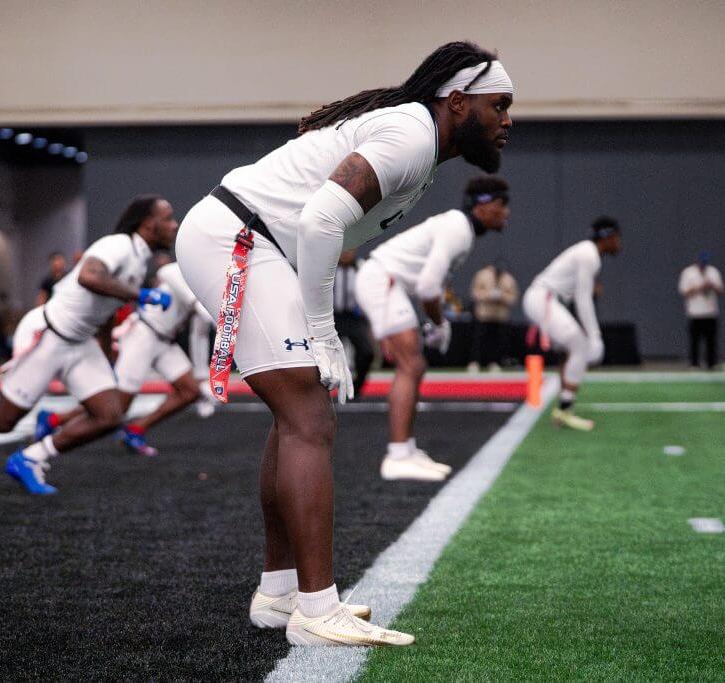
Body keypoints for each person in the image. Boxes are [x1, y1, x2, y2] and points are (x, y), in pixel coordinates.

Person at [175, 41, 513, 646]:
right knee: (309, 417)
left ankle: (280, 594)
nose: (507, 121)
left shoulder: (418, 139)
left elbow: (324, 223)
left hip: (250, 237)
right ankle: (316, 610)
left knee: (296, 417)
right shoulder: (412, 135)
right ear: (459, 102)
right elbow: (320, 221)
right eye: (500, 105)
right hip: (239, 237)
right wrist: (323, 328)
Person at [0, 196, 178, 495]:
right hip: (49, 335)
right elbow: (89, 276)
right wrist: (141, 295)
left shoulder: (138, 259)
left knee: (110, 415)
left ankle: (31, 458)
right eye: (168, 218)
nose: (174, 225)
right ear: (148, 223)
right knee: (3, 420)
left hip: (80, 342)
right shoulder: (119, 245)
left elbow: (105, 315)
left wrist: (106, 357)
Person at [356, 175, 509, 481]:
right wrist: (439, 323)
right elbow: (427, 287)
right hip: (382, 280)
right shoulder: (458, 228)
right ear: (482, 206)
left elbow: (429, 285)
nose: (506, 212)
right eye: (501, 204)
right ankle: (398, 456)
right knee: (411, 365)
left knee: (415, 366)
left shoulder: (460, 228)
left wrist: (437, 322)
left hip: (388, 282)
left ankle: (407, 450)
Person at [35, 262, 214, 456]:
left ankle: (135, 429)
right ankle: (53, 419)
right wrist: (195, 301)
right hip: (144, 334)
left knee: (190, 391)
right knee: (117, 405)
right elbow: (166, 271)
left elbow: (200, 334)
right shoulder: (187, 269)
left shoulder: (209, 286)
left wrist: (202, 375)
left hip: (165, 341)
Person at [523, 216, 621, 431]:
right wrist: (595, 336)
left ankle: (564, 405)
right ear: (607, 236)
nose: (619, 243)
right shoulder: (589, 254)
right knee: (580, 346)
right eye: (617, 237)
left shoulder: (586, 252)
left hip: (544, 299)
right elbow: (583, 298)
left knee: (570, 351)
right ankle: (565, 409)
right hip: (543, 299)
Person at [333, 250, 375, 395]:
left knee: (366, 351)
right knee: (321, 351)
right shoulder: (328, 266)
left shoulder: (362, 267)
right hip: (332, 317)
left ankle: (357, 386)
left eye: (349, 250)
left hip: (355, 317)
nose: (346, 254)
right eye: (343, 250)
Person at [470, 260, 519, 371]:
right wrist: (488, 295)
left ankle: (494, 363)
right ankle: (475, 362)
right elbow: (475, 293)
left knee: (497, 341)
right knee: (480, 340)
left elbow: (513, 298)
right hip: (484, 314)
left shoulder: (508, 279)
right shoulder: (482, 275)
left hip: (500, 316)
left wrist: (501, 296)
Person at [678, 251, 723, 369]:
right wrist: (699, 287)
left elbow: (721, 291)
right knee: (695, 340)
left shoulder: (713, 272)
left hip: (710, 313)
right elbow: (684, 292)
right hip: (695, 313)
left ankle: (711, 363)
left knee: (711, 341)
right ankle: (694, 363)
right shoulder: (688, 272)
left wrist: (711, 286)